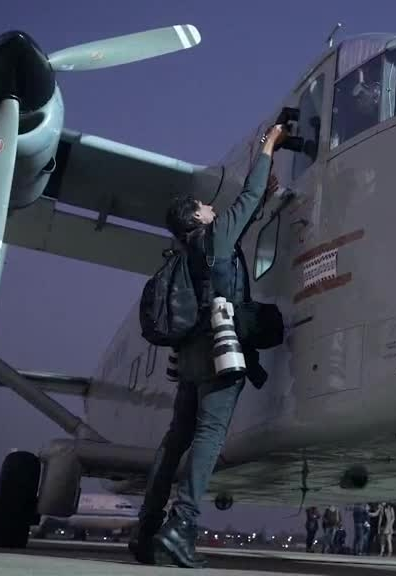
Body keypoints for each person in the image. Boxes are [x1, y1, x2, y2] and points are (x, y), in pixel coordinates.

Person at [127, 123, 289, 569]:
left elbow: (245, 216)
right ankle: (182, 526)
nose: (211, 207)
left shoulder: (192, 252)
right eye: (203, 206)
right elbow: (247, 199)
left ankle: (146, 528)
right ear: (194, 219)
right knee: (209, 436)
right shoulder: (213, 239)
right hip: (221, 352)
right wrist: (268, 147)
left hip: (191, 358)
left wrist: (261, 197)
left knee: (176, 439)